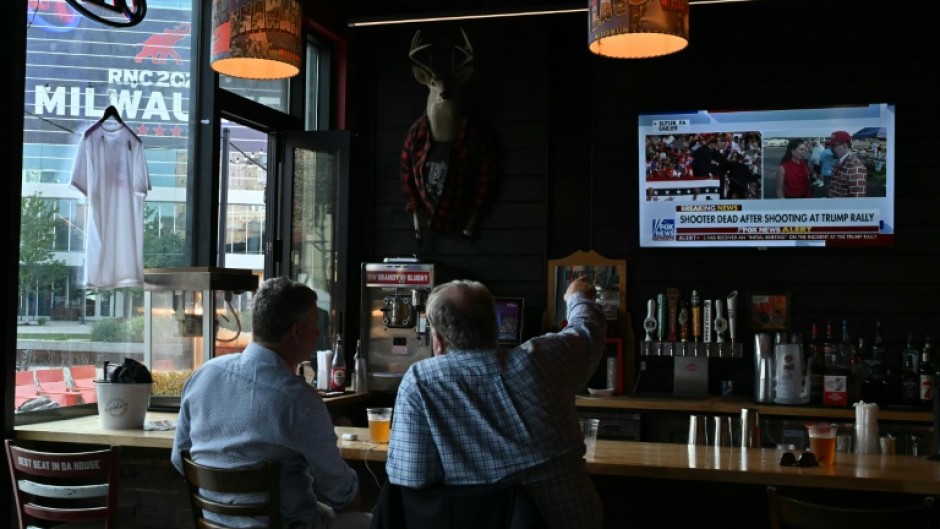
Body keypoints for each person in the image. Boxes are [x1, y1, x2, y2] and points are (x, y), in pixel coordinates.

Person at [386, 277, 607, 529]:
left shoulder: (420, 382)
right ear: (495, 324)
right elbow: (587, 329)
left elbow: (413, 478)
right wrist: (577, 297)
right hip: (570, 520)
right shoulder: (545, 358)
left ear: (437, 339)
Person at [171, 277, 371, 529]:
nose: (318, 333)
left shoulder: (204, 375)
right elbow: (341, 495)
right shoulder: (300, 401)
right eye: (315, 325)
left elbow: (180, 460)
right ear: (297, 331)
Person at [827, 130, 868, 197]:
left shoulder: (855, 167)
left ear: (845, 145)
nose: (831, 149)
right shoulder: (840, 161)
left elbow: (858, 199)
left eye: (833, 146)